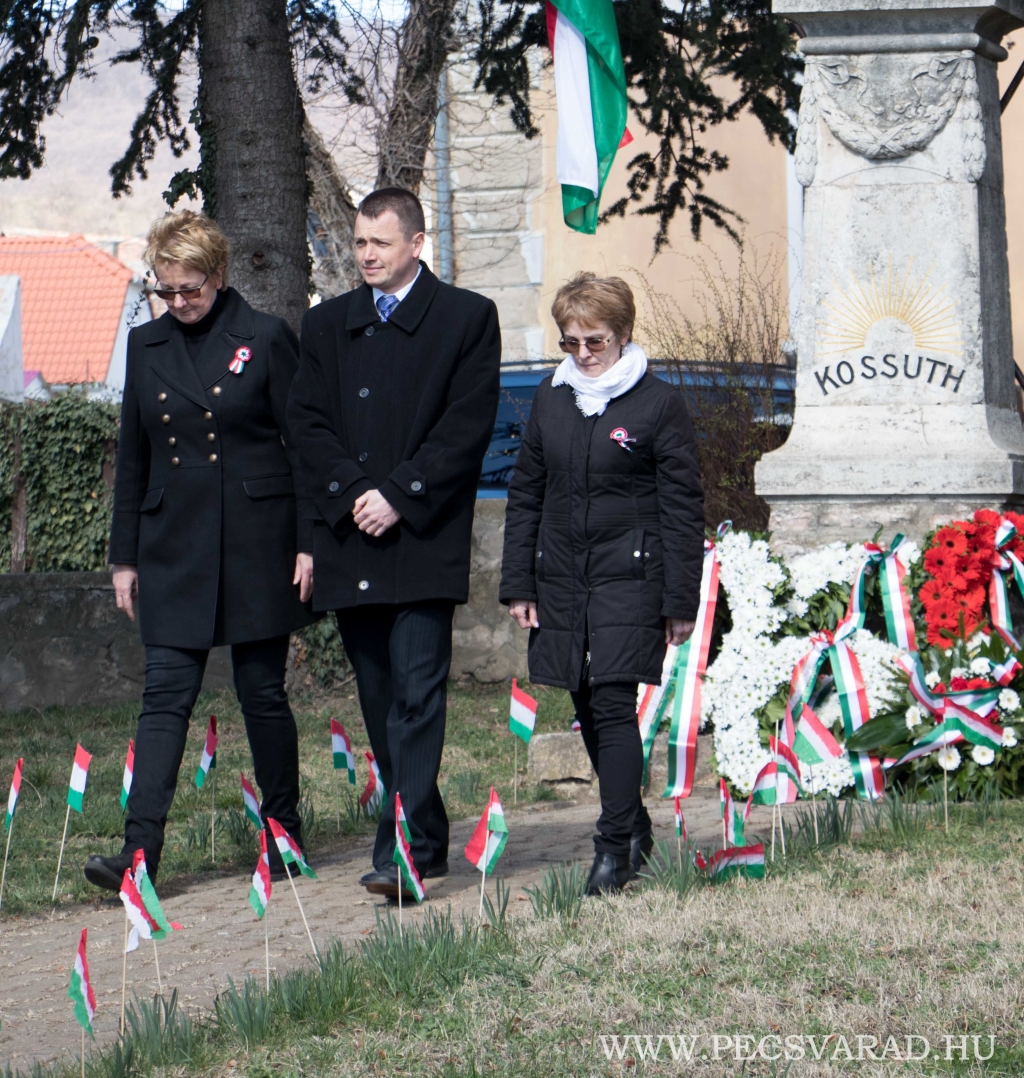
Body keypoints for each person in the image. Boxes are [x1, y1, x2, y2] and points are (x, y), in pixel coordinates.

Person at [84, 211, 315, 890]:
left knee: (261, 693)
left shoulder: (265, 337)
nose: (179, 302)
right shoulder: (145, 343)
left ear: (218, 276)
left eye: (191, 289)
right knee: (163, 698)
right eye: (167, 289)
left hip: (257, 543)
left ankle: (283, 837)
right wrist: (123, 558)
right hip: (173, 547)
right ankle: (139, 856)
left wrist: (309, 546)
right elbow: (134, 455)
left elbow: (303, 449)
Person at [287, 186, 501, 899]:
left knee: (416, 696)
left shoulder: (467, 318)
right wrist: (354, 493)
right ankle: (429, 834)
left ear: (416, 243)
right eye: (359, 242)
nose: (366, 255)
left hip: (422, 537)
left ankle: (400, 852)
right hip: (352, 536)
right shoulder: (326, 325)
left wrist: (400, 495)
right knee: (382, 702)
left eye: (380, 242)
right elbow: (306, 424)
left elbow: (465, 427)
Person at [499, 272, 704, 896]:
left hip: (631, 577)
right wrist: (519, 582)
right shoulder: (551, 398)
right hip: (562, 577)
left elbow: (682, 508)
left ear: (624, 334)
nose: (583, 354)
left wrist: (679, 599)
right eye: (571, 341)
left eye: (595, 341)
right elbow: (527, 492)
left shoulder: (658, 404)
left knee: (613, 703)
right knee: (584, 702)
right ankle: (635, 825)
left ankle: (613, 848)